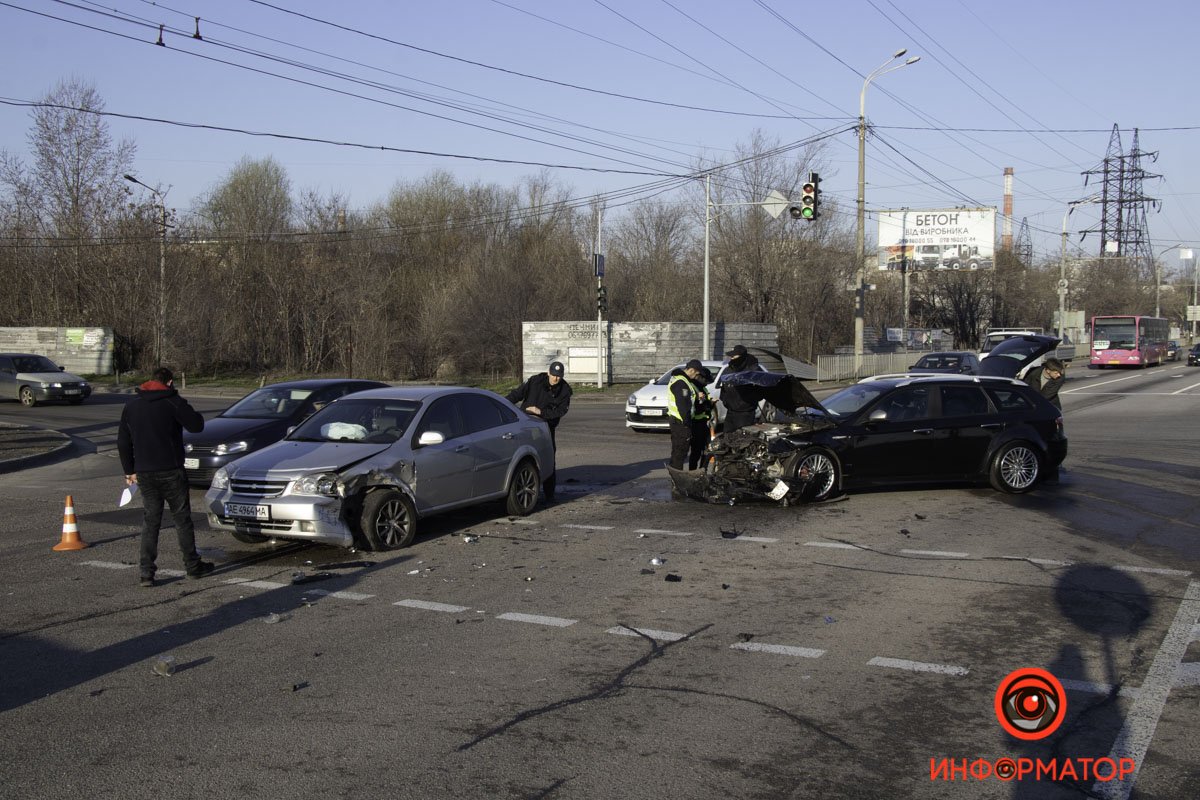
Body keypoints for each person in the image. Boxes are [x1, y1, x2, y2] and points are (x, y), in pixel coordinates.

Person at [117, 366, 212, 587]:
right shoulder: (172, 402)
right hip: (171, 470)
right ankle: (192, 565)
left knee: (151, 521)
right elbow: (196, 425)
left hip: (144, 472)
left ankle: (146, 573)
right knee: (182, 519)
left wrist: (129, 470)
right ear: (169, 383)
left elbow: (123, 441)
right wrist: (179, 400)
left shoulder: (132, 404)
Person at [507, 360, 572, 501]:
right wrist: (503, 404)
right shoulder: (535, 381)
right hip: (525, 424)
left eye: (559, 376)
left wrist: (540, 412)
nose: (556, 378)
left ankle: (549, 495)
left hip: (545, 427)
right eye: (554, 375)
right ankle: (517, 488)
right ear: (548, 372)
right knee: (520, 456)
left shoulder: (565, 390)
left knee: (548, 457)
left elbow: (560, 411)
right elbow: (517, 394)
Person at [666, 359, 708, 471]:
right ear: (691, 370)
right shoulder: (681, 383)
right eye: (696, 373)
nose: (696, 376)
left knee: (678, 452)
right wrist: (687, 424)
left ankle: (675, 477)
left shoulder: (683, 380)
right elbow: (683, 406)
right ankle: (677, 480)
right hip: (681, 423)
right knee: (679, 453)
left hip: (679, 422)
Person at [718, 344, 761, 433]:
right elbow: (723, 387)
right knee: (727, 438)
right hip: (730, 412)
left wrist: (747, 402)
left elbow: (761, 390)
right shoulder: (729, 369)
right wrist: (725, 401)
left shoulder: (753, 370)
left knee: (743, 440)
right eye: (731, 356)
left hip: (746, 414)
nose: (732, 358)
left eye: (734, 356)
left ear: (741, 356)